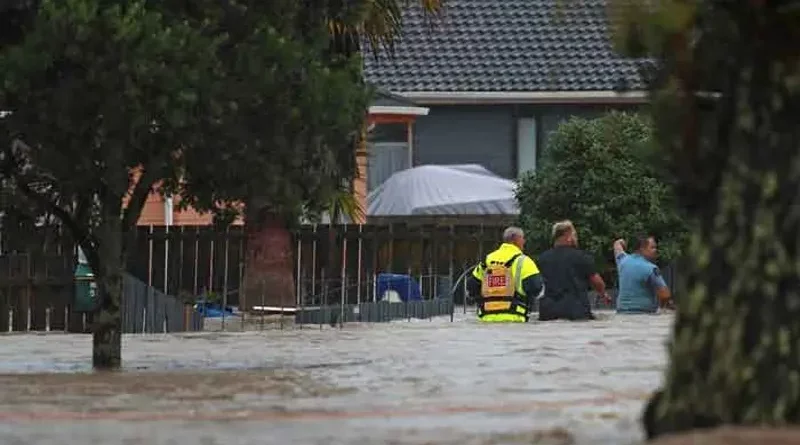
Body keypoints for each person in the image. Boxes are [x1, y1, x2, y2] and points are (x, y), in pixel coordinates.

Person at [536, 220, 610, 321]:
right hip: (575, 311)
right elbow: (597, 282)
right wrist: (603, 294)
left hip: (548, 312)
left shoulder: (542, 258)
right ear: (568, 235)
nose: (576, 238)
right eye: (575, 234)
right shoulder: (582, 257)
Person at [466, 226, 542, 322]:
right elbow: (536, 288)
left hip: (486, 319)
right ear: (516, 239)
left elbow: (471, 287)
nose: (524, 241)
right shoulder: (523, 261)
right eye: (523, 238)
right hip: (515, 318)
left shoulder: (487, 260)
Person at [613, 235, 671, 313]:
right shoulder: (651, 268)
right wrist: (661, 308)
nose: (656, 250)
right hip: (644, 314)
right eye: (652, 247)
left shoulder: (622, 261)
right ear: (642, 249)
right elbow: (665, 295)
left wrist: (620, 242)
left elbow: (617, 247)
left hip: (621, 312)